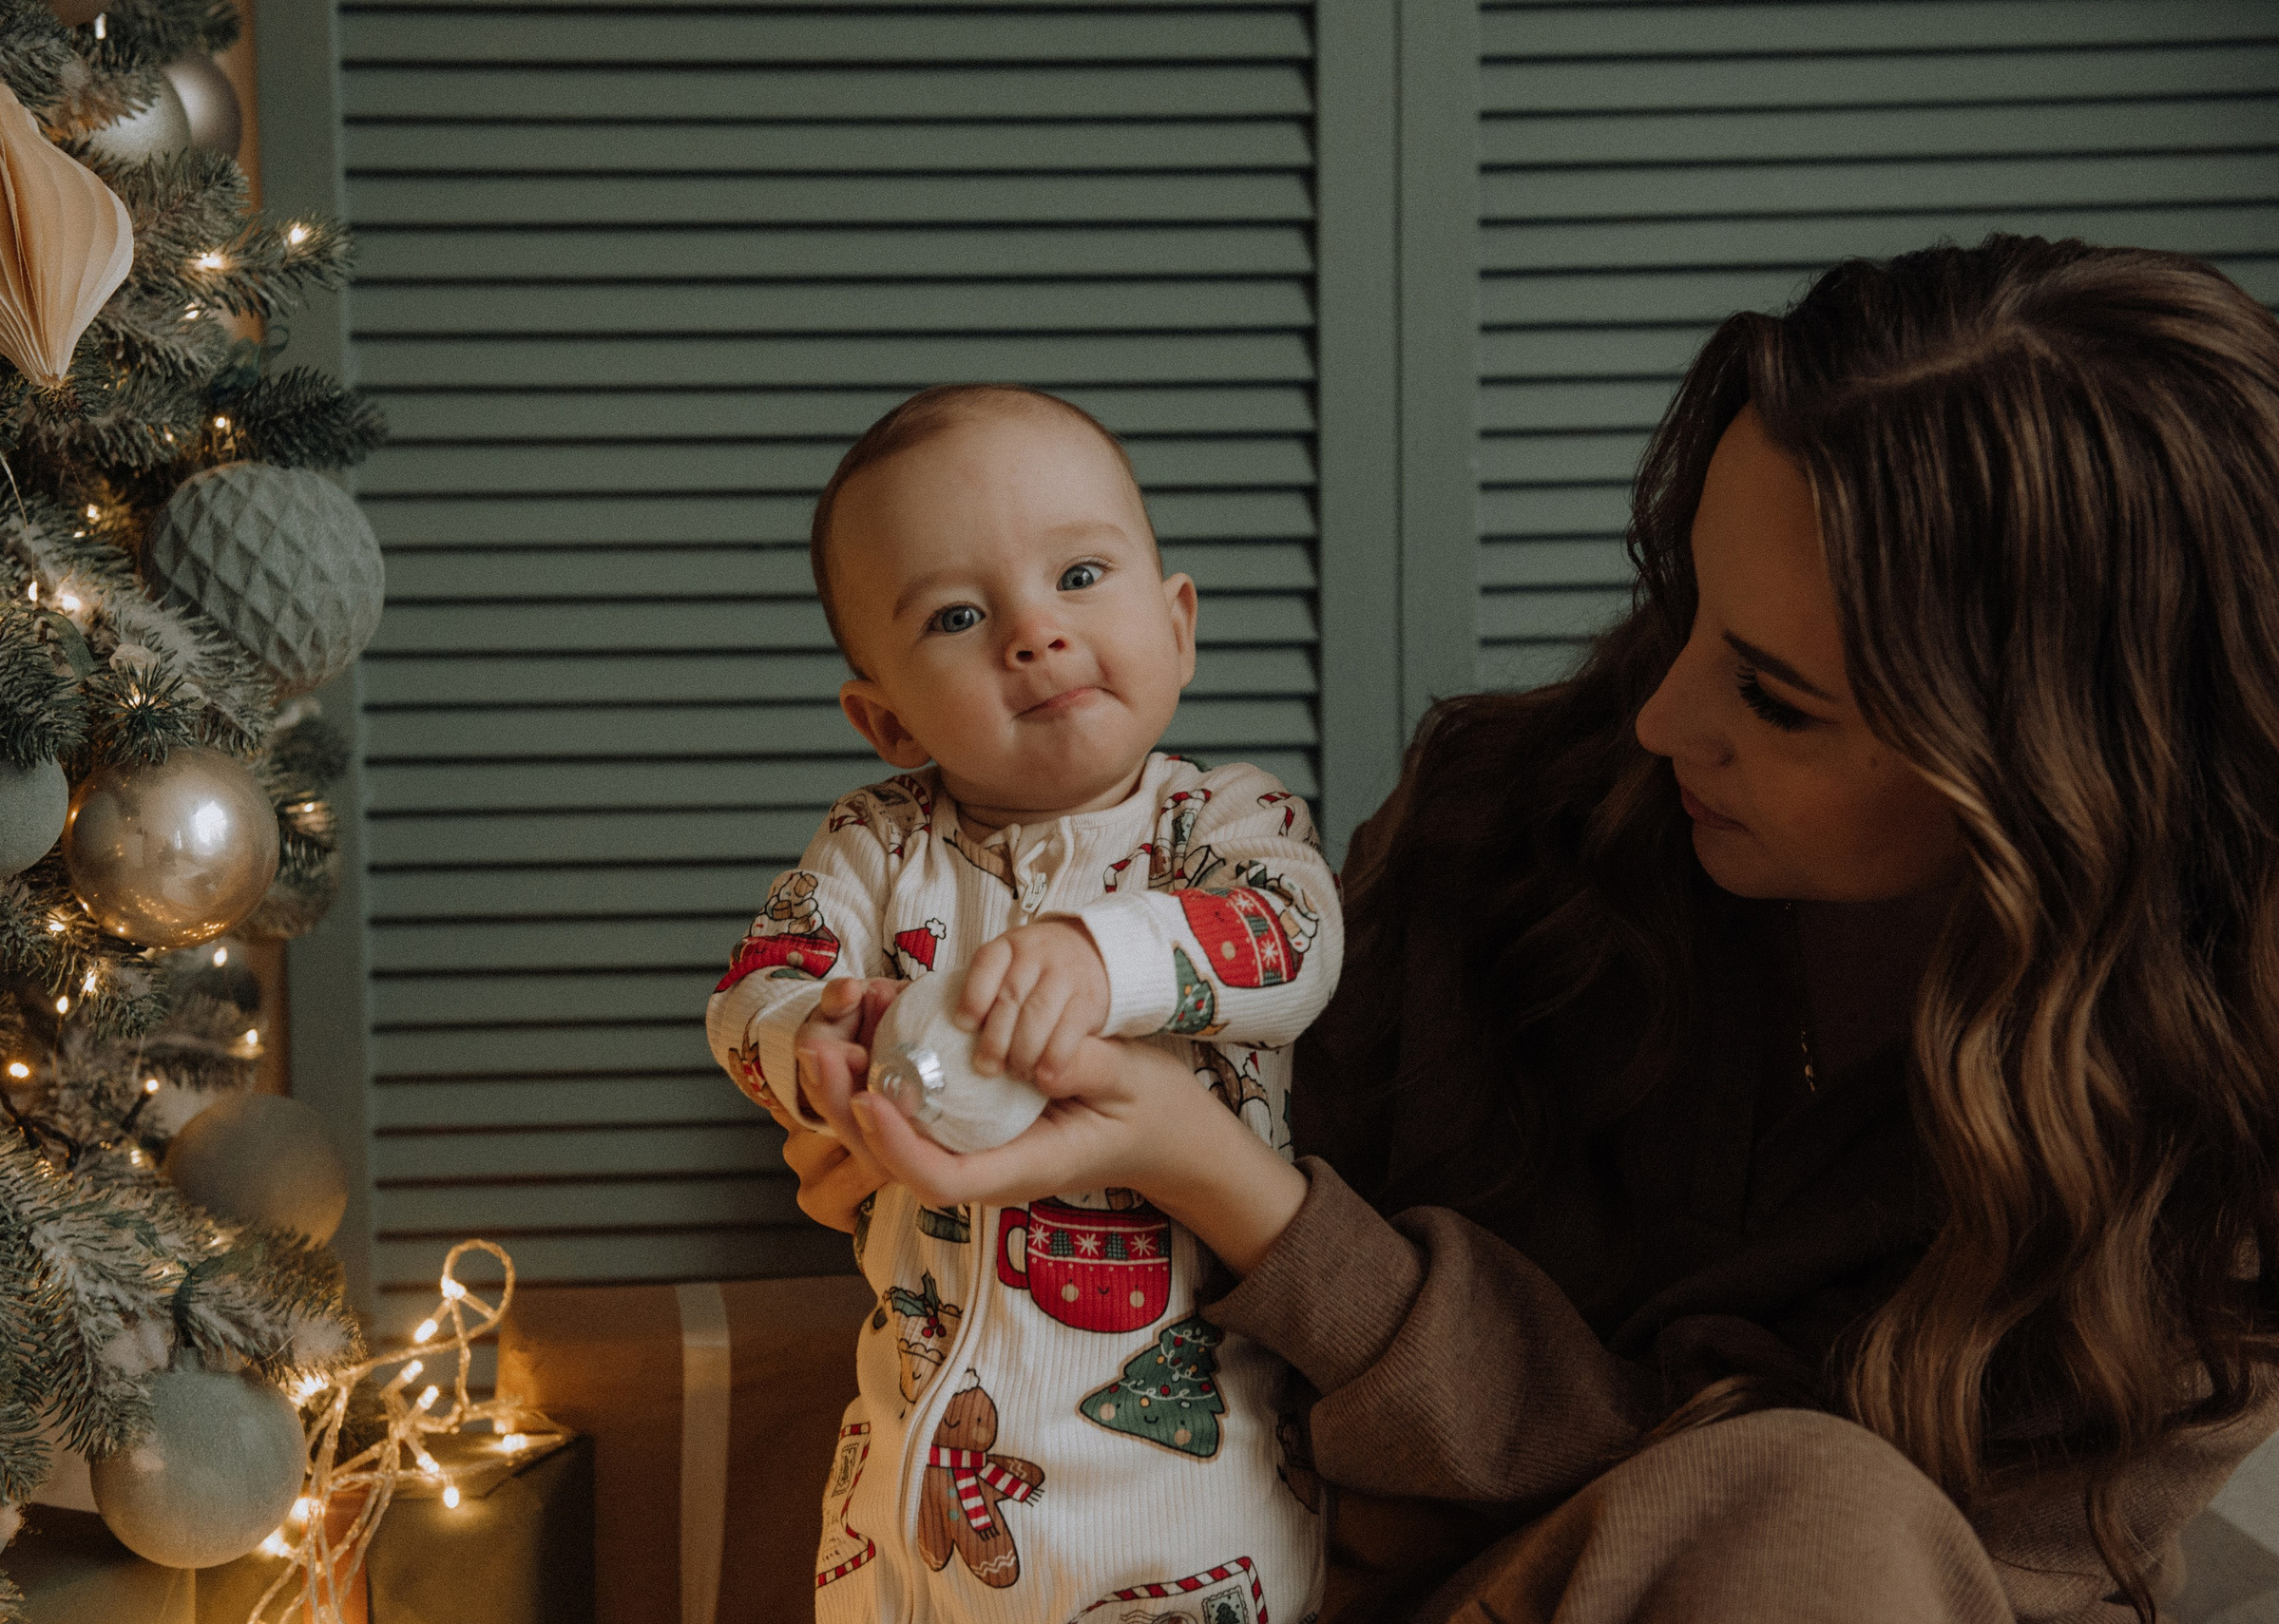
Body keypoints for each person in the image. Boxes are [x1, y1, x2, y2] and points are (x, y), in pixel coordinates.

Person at [788, 237, 2279, 1623]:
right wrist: (956, 1138)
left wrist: (1247, 1196)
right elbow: (1247, 1355)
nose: (1659, 713)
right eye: (1686, 599)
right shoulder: (1507, 824)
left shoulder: (2210, 1145)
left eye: (1773, 695)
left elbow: (1892, 1557)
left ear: (2046, 774)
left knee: (1825, 1514)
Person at [708, 384, 1337, 1622]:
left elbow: (1293, 943)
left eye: (1082, 574)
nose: (1034, 634)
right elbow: (750, 988)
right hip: (917, 1484)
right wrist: (810, 1039)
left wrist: (1106, 957)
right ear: (885, 716)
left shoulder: (1219, 824)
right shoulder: (875, 848)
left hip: (1183, 1489)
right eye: (957, 613)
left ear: (1179, 623)